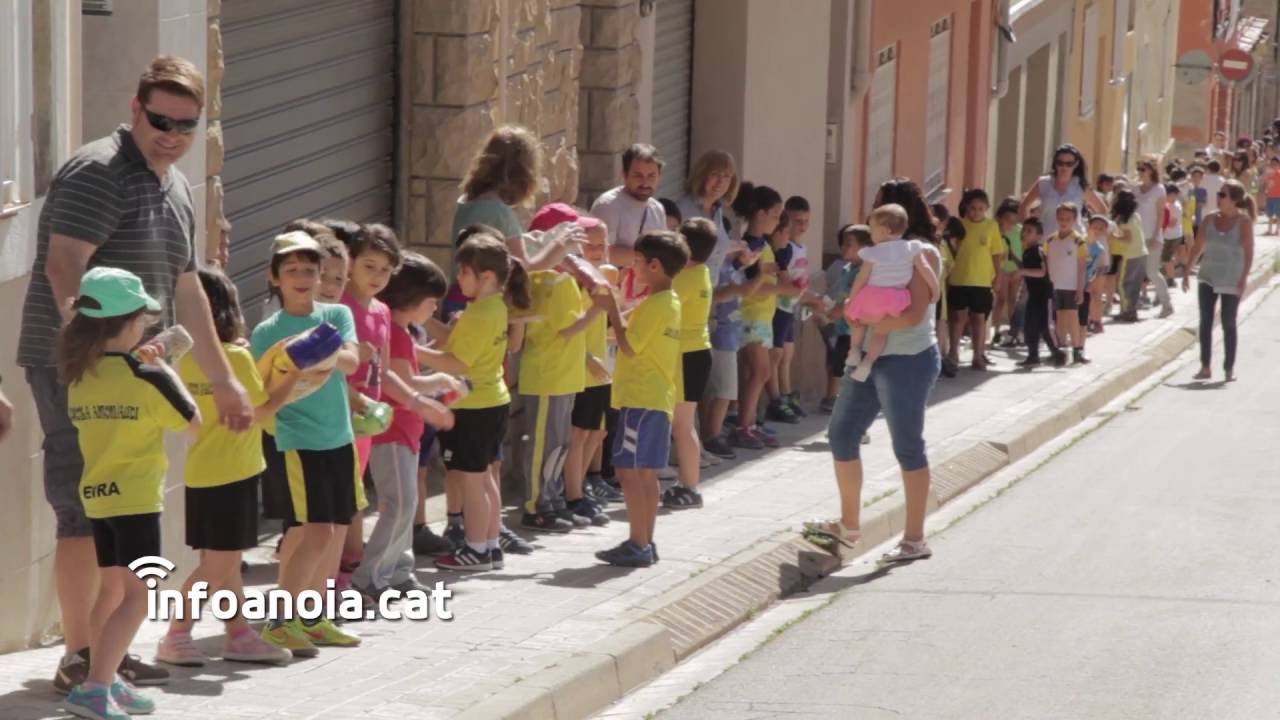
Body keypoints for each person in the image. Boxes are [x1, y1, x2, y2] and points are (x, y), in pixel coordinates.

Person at [16, 55, 252, 693]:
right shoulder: (100, 171)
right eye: (161, 119)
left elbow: (188, 289)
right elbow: (65, 264)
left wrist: (223, 376)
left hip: (134, 371)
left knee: (120, 509)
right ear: (135, 109)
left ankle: (104, 660)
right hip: (80, 368)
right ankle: (80, 655)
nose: (172, 133)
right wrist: (90, 357)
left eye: (186, 125)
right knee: (84, 512)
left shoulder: (175, 184)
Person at [57, 267, 201, 719]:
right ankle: (96, 687)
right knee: (139, 597)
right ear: (132, 322)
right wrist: (161, 368)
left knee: (112, 591)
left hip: (98, 498)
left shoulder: (81, 374)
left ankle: (106, 679)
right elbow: (191, 420)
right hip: (137, 501)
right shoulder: (146, 376)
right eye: (143, 317)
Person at [156, 267, 296, 671]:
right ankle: (176, 634)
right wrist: (293, 379)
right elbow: (260, 412)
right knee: (217, 565)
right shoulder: (234, 356)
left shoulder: (181, 358)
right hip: (235, 474)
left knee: (226, 562)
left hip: (200, 473)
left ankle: (238, 633)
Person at [809, 203, 944, 565]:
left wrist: (876, 323)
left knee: (908, 447)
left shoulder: (919, 253)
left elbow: (917, 311)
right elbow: (859, 293)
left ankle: (915, 538)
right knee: (841, 433)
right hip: (869, 357)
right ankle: (850, 526)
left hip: (907, 361)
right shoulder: (878, 257)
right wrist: (839, 309)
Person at [251, 232, 363, 655]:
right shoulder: (266, 331)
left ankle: (313, 619)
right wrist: (298, 357)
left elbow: (352, 360)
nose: (302, 277)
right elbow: (263, 388)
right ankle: (281, 622)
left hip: (340, 438)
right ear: (274, 277)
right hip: (297, 440)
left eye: (309, 270)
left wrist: (316, 348)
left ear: (321, 276)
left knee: (331, 534)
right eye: (292, 270)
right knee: (313, 533)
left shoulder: (336, 315)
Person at [351, 253, 457, 600]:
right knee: (398, 505)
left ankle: (398, 571)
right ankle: (372, 576)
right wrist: (432, 393)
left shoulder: (400, 332)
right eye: (432, 303)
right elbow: (400, 381)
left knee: (406, 505)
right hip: (393, 432)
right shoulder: (395, 333)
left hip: (405, 433)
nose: (434, 310)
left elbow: (405, 379)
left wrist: (437, 384)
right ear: (415, 301)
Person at [425, 235, 531, 570]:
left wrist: (410, 350)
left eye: (464, 272)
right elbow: (453, 341)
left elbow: (457, 362)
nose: (459, 279)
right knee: (485, 478)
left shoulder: (480, 314)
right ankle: (489, 545)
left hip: (474, 407)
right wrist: (420, 319)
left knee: (472, 480)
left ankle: (475, 549)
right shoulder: (493, 307)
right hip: (493, 401)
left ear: (486, 277)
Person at [594, 231, 687, 567]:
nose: (632, 268)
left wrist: (612, 310)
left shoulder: (657, 304)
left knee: (629, 471)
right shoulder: (670, 302)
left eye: (637, 262)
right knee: (644, 473)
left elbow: (630, 345)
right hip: (655, 398)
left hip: (641, 398)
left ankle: (638, 542)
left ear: (655, 265)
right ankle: (645, 540)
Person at [517, 204, 608, 532]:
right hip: (547, 376)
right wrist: (599, 309)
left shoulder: (565, 280)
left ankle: (553, 498)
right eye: (573, 237)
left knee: (560, 444)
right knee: (544, 444)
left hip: (566, 376)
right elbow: (567, 329)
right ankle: (536, 505)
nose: (581, 245)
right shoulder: (549, 280)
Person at [453, 125, 573, 272]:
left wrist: (525, 239)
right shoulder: (498, 211)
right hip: (487, 294)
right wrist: (560, 246)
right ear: (524, 173)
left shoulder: (467, 201)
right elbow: (524, 268)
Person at [565, 218, 623, 511]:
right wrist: (586, 357)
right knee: (579, 434)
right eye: (591, 246)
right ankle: (573, 493)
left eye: (602, 246)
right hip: (583, 368)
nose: (598, 252)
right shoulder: (576, 283)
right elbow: (568, 326)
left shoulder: (602, 279)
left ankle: (581, 488)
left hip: (602, 367)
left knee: (596, 432)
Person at [844, 205, 939, 382]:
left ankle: (854, 350)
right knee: (881, 332)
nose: (870, 234)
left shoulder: (872, 252)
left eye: (872, 229)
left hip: (871, 296)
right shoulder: (912, 248)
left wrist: (852, 299)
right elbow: (926, 270)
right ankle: (868, 362)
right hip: (895, 299)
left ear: (885, 230)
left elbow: (861, 278)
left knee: (857, 322)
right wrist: (935, 290)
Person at [666, 218, 718, 509]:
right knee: (685, 426)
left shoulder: (684, 278)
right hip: (695, 353)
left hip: (686, 355)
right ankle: (688, 484)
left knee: (683, 427)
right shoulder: (702, 272)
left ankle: (690, 487)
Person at [1184, 179, 1255, 382]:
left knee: (1228, 323)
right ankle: (1205, 366)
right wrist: (1188, 270)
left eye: (1222, 195)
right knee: (1205, 322)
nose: (1218, 198)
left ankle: (1228, 368)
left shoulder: (1243, 222)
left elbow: (1249, 252)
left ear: (1234, 200)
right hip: (1208, 277)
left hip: (1231, 278)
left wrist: (1244, 278)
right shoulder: (1208, 219)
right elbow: (1198, 247)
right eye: (1219, 195)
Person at [731, 183, 785, 448]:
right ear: (760, 213)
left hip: (763, 316)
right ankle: (744, 425)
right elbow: (752, 286)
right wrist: (784, 286)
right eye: (775, 214)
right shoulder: (751, 245)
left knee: (759, 372)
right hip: (751, 315)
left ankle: (750, 422)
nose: (778, 221)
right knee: (760, 371)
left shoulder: (763, 243)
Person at [948, 188, 1006, 371]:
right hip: (959, 278)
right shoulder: (958, 225)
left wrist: (998, 277)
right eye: (973, 208)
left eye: (981, 208)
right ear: (966, 207)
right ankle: (953, 353)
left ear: (987, 208)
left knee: (979, 319)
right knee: (957, 318)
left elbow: (997, 254)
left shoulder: (991, 226)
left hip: (981, 280)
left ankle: (978, 354)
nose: (976, 212)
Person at [819, 225, 873, 412]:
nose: (843, 247)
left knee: (850, 370)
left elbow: (856, 298)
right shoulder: (847, 268)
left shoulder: (864, 271)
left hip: (856, 331)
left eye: (849, 244)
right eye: (843, 243)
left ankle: (851, 409)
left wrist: (838, 310)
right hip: (844, 328)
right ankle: (836, 400)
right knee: (838, 365)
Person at [590, 143, 668, 271]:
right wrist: (648, 258)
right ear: (625, 175)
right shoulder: (608, 205)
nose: (645, 183)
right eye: (638, 175)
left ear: (659, 176)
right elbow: (600, 252)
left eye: (651, 176)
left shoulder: (657, 209)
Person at [768, 196, 812, 422]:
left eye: (806, 221)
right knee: (776, 354)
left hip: (791, 307)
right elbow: (782, 275)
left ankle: (786, 394)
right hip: (778, 306)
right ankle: (776, 399)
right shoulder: (783, 249)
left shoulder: (800, 247)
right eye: (797, 220)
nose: (802, 226)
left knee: (787, 354)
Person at [1018, 144, 1107, 237]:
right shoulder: (1043, 183)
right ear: (1055, 163)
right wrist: (1028, 231)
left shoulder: (1081, 185)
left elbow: (1102, 210)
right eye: (1060, 163)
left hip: (1075, 242)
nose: (1064, 167)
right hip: (1046, 240)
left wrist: (1092, 232)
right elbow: (1024, 207)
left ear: (1076, 164)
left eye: (1069, 164)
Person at [1017, 219, 1066, 368]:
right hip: (1034, 295)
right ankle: (1033, 355)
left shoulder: (1038, 251)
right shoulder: (1026, 252)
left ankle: (1058, 352)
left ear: (1039, 235)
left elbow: (1042, 272)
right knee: (1030, 325)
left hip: (1045, 296)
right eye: (1024, 230)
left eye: (1029, 231)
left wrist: (1022, 271)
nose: (1025, 233)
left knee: (1045, 326)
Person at [1045, 203, 1090, 364]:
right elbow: (1048, 262)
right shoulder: (1050, 240)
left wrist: (1080, 289)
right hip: (1055, 285)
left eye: (1068, 219)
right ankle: (1061, 349)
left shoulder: (1078, 241)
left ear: (1074, 220)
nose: (1064, 221)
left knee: (1072, 317)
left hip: (1071, 285)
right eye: (1061, 218)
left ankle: (1078, 349)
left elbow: (1081, 266)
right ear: (1057, 218)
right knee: (1059, 317)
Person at [1133, 159, 1175, 318]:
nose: (1140, 172)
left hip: (1152, 236)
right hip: (1136, 236)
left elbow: (1160, 214)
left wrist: (1157, 236)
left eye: (1143, 169)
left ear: (1151, 170)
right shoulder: (1135, 189)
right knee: (1135, 273)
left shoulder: (1159, 190)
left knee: (1151, 272)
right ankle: (1131, 306)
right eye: (1138, 168)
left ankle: (1167, 304)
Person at [992, 198, 1024, 347]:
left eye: (1014, 220)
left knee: (1013, 300)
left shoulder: (1019, 230)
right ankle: (995, 331)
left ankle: (1013, 331)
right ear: (999, 217)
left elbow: (1022, 249)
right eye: (1007, 219)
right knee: (1001, 300)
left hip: (1016, 270)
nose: (1010, 223)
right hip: (1002, 269)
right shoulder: (996, 231)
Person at [1111, 190, 1146, 322]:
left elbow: (1127, 240)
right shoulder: (1135, 216)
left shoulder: (1124, 221)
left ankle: (1126, 311)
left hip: (1130, 255)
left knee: (1123, 284)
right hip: (1141, 253)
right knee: (1134, 285)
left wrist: (1112, 236)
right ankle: (1131, 311)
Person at [1083, 215, 1113, 335]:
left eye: (1101, 228)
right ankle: (1091, 318)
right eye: (1095, 227)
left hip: (1101, 268)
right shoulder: (1086, 239)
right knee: (1089, 295)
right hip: (1088, 268)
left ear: (1105, 230)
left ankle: (1097, 320)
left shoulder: (1103, 240)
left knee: (1097, 294)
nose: (1098, 230)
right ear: (1089, 227)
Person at [1162, 184, 1185, 288]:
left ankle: (1170, 279)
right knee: (1167, 258)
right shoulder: (1169, 204)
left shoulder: (1175, 206)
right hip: (1171, 235)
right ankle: (1170, 277)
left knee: (1166, 259)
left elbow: (1172, 223)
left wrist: (1160, 225)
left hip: (1172, 236)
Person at [1262, 156, 1280, 236]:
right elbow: (1265, 183)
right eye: (1272, 164)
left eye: (1275, 164)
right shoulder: (1268, 174)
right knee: (1270, 214)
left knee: (1278, 214)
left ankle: (1277, 230)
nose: (1274, 166)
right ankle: (1269, 230)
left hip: (1278, 197)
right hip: (1270, 196)